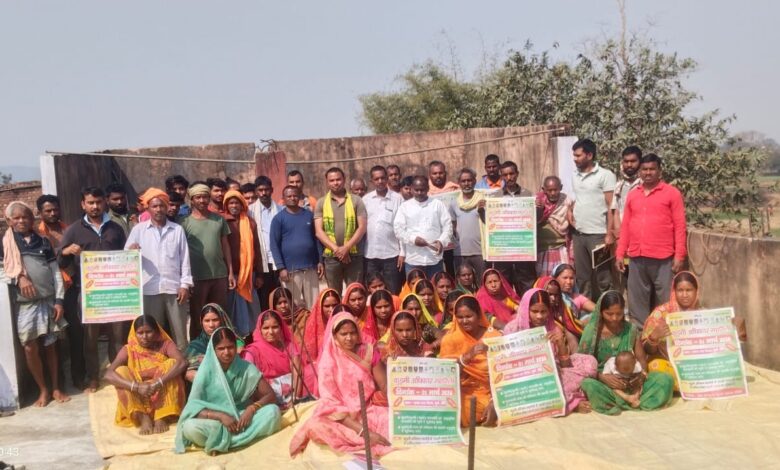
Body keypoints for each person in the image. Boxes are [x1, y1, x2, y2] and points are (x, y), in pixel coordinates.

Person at [289, 312, 391, 458]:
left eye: (352, 333)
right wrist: (364, 432)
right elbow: (331, 404)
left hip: (367, 409)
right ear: (335, 335)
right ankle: (363, 440)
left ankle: (363, 439)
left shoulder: (369, 351)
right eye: (343, 334)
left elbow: (384, 385)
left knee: (389, 420)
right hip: (340, 417)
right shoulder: (328, 361)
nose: (349, 338)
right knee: (315, 426)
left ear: (358, 332)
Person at [1, 201, 69, 406]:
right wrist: (19, 278)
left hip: (48, 301)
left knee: (51, 345)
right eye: (17, 218)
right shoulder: (6, 243)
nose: (21, 221)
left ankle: (55, 387)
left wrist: (59, 301)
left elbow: (55, 273)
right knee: (30, 347)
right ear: (9, 221)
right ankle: (43, 389)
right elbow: (4, 271)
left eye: (25, 217)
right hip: (25, 305)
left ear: (32, 219)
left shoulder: (43, 241)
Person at [59, 187, 127, 392]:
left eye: (98, 202)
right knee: (90, 337)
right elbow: (60, 260)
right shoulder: (74, 230)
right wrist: (66, 251)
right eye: (90, 203)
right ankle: (94, 377)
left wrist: (132, 253)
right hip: (89, 292)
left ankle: (117, 373)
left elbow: (126, 257)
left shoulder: (115, 228)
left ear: (104, 203)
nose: (95, 206)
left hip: (115, 290)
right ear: (83, 204)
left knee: (117, 336)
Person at [176, 327, 282, 455]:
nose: (226, 352)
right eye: (221, 349)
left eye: (230, 347)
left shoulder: (246, 368)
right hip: (215, 423)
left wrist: (251, 409)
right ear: (213, 350)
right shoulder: (205, 372)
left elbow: (270, 395)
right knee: (189, 427)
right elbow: (193, 409)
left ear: (236, 347)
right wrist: (220, 416)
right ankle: (234, 440)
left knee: (273, 412)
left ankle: (221, 443)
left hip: (241, 420)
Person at [616, 154, 687, 324]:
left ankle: (664, 335)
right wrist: (620, 253)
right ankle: (640, 335)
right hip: (636, 257)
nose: (648, 173)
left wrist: (680, 255)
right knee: (637, 301)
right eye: (644, 169)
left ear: (659, 171)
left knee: (665, 301)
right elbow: (626, 226)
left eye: (652, 169)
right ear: (640, 171)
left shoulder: (672, 194)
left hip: (663, 258)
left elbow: (680, 226)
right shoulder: (633, 194)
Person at [578, 291, 674, 415]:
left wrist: (640, 376)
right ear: (601, 312)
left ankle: (628, 401)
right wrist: (602, 377)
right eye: (609, 314)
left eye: (619, 314)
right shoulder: (592, 331)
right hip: (606, 384)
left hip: (632, 381)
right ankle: (628, 402)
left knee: (665, 379)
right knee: (588, 385)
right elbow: (582, 365)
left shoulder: (630, 329)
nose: (614, 318)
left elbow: (641, 360)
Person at [504, 288, 597, 414]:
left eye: (544, 311)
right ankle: (571, 403)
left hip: (551, 373)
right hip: (525, 379)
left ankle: (562, 398)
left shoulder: (552, 328)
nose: (539, 316)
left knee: (590, 362)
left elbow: (565, 365)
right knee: (537, 389)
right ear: (526, 309)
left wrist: (561, 344)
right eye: (534, 311)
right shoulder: (512, 329)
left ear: (549, 311)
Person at [125, 189, 192, 350]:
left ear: (167, 207)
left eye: (162, 206)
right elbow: (126, 258)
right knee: (153, 333)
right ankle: (156, 363)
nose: (158, 209)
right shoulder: (138, 230)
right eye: (154, 206)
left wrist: (185, 285)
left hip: (174, 288)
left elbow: (185, 258)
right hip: (149, 289)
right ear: (147, 208)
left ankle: (181, 363)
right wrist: (131, 251)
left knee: (179, 333)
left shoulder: (176, 229)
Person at [104, 315, 186, 435]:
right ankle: (143, 417)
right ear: (134, 333)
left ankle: (162, 416)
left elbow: (182, 363)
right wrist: (136, 387)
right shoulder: (129, 349)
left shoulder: (165, 345)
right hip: (139, 395)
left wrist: (159, 382)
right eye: (140, 333)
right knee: (121, 371)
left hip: (162, 393)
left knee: (171, 363)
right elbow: (108, 374)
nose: (144, 337)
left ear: (156, 331)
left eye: (149, 332)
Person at [36, 194, 82, 388]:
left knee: (76, 334)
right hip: (48, 291)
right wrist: (62, 251)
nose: (53, 213)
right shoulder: (37, 234)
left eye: (55, 209)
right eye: (48, 210)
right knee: (51, 340)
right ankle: (57, 384)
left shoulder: (68, 230)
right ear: (40, 212)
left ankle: (79, 377)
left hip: (71, 288)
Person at [180, 183, 235, 338]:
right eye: (198, 197)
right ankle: (197, 347)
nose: (202, 200)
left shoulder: (219, 220)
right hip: (196, 278)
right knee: (198, 316)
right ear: (191, 200)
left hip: (219, 275)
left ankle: (221, 343)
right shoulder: (184, 223)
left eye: (205, 197)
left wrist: (230, 272)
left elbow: (226, 246)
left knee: (220, 314)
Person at [439, 295, 500, 427]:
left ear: (478, 315)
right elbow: (444, 375)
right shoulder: (450, 340)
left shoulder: (493, 336)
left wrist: (494, 400)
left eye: (469, 316)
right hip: (462, 392)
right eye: (460, 317)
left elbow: (504, 372)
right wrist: (466, 357)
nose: (464, 321)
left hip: (490, 392)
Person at [568, 138, 616, 300]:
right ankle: (585, 311)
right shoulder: (575, 175)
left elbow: (611, 206)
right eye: (574, 155)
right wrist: (570, 211)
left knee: (603, 277)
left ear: (589, 155)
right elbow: (578, 198)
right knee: (583, 278)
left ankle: (607, 309)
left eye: (578, 155)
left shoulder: (605, 175)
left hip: (598, 234)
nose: (575, 159)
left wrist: (609, 233)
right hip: (579, 234)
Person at [641, 271, 700, 390]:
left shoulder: (702, 314)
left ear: (696, 291)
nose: (684, 295)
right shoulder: (661, 314)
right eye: (680, 290)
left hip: (693, 366)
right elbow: (646, 351)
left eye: (689, 290)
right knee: (656, 367)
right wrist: (653, 338)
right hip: (668, 364)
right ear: (674, 291)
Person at [271, 185, 324, 310]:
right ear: (283, 198)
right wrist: (281, 268)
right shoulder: (278, 219)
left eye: (295, 195)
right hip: (290, 271)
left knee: (313, 306)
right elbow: (274, 244)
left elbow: (317, 239)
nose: (292, 198)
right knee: (291, 306)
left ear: (300, 197)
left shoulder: (309, 215)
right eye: (289, 196)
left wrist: (320, 261)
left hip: (310, 268)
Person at [314, 167, 367, 292]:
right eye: (332, 180)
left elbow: (362, 227)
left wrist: (347, 248)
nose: (335, 183)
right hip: (331, 257)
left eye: (338, 179)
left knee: (355, 293)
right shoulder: (321, 203)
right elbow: (319, 232)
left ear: (344, 180)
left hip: (354, 256)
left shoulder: (356, 200)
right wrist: (338, 250)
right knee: (334, 294)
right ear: (327, 182)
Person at [394, 175, 453, 277]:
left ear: (428, 188)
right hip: (414, 260)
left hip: (434, 259)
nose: (419, 193)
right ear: (411, 189)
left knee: (435, 286)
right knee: (415, 287)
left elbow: (448, 226)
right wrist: (413, 239)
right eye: (416, 190)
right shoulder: (405, 207)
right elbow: (398, 230)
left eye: (422, 190)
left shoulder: (437, 204)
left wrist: (441, 241)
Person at [241, 310, 302, 407]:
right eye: (266, 328)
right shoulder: (252, 351)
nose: (271, 332)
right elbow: (249, 379)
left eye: (275, 327)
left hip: (292, 394)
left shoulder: (289, 346)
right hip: (266, 397)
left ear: (281, 328)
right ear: (260, 329)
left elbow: (297, 373)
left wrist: (295, 397)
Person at [223, 189, 263, 337]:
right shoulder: (222, 222)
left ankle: (252, 338)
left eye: (237, 203)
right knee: (233, 310)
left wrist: (259, 274)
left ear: (242, 205)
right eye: (231, 203)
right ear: (226, 205)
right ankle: (235, 338)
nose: (234, 206)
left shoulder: (250, 223)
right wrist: (228, 273)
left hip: (249, 274)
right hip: (231, 275)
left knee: (252, 308)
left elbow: (256, 248)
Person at [364, 165, 404, 295]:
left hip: (391, 255)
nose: (380, 181)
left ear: (387, 178)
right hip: (370, 255)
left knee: (393, 292)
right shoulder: (366, 200)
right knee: (373, 292)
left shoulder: (397, 199)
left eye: (382, 178)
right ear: (371, 181)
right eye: (376, 179)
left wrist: (402, 252)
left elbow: (402, 227)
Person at [248, 176, 282, 311]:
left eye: (266, 190)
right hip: (261, 262)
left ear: (271, 190)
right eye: (260, 190)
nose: (263, 193)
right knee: (264, 299)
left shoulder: (281, 210)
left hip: (278, 261)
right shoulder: (250, 211)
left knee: (280, 298)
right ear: (256, 191)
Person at [301, 288, 342, 397]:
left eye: (335, 305)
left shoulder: (344, 321)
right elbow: (309, 356)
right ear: (320, 307)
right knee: (310, 373)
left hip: (341, 363)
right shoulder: (312, 325)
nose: (331, 309)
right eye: (327, 306)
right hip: (319, 366)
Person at [185, 303, 241, 382]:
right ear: (201, 322)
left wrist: (210, 360)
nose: (211, 325)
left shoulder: (234, 341)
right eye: (207, 321)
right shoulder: (195, 346)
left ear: (221, 320)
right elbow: (188, 371)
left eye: (215, 320)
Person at [451, 168, 486, 279]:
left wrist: (482, 211)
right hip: (461, 252)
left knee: (482, 283)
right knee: (463, 284)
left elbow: (490, 224)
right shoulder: (454, 203)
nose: (467, 184)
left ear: (474, 181)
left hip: (480, 252)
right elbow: (452, 226)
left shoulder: (483, 200)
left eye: (469, 180)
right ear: (459, 183)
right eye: (463, 181)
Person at [536, 176, 573, 276]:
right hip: (542, 249)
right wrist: (539, 209)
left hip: (561, 248)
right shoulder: (537, 202)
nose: (553, 193)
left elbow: (572, 223)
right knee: (545, 280)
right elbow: (532, 222)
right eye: (549, 190)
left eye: (555, 190)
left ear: (561, 188)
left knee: (563, 277)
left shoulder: (566, 202)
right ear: (544, 190)